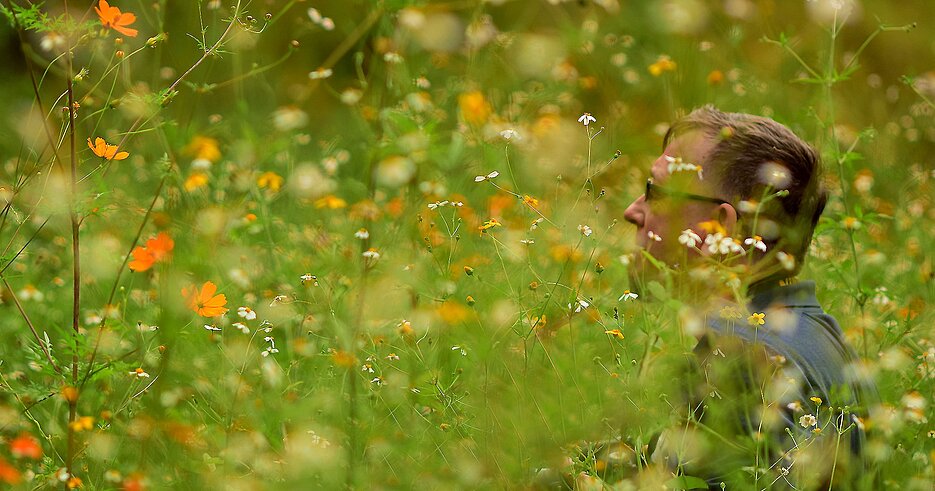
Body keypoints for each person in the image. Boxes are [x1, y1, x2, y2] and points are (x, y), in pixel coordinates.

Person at [533, 107, 874, 489]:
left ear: (721, 229)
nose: (632, 211)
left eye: (655, 192)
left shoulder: (740, 365)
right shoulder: (829, 343)